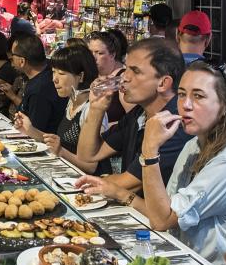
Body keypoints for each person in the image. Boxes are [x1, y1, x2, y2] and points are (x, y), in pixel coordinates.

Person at [80, 60, 226, 265]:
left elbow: (162, 220)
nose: (186, 105)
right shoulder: (193, 146)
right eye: (181, 94)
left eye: (198, 96)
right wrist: (118, 192)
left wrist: (150, 150)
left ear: (224, 106)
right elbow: (163, 209)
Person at [74, 39, 190, 185]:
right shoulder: (139, 114)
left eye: (135, 71)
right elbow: (87, 155)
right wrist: (96, 109)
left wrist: (87, 182)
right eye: (126, 68)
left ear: (163, 83)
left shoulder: (174, 124)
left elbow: (130, 182)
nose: (125, 77)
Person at [26, 45, 112, 175]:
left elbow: (91, 167)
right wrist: (29, 129)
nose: (54, 79)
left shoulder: (92, 109)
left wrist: (61, 152)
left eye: (61, 73)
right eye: (53, 72)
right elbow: (56, 144)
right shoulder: (72, 100)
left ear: (81, 76)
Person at [5, 34, 66, 134]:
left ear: (22, 61)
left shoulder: (40, 89)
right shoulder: (46, 72)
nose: (10, 59)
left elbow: (33, 131)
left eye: (12, 56)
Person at [87, 30, 131, 124]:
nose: (93, 57)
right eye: (90, 52)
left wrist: (106, 128)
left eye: (99, 53)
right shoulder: (92, 74)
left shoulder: (123, 79)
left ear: (112, 55)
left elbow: (133, 119)